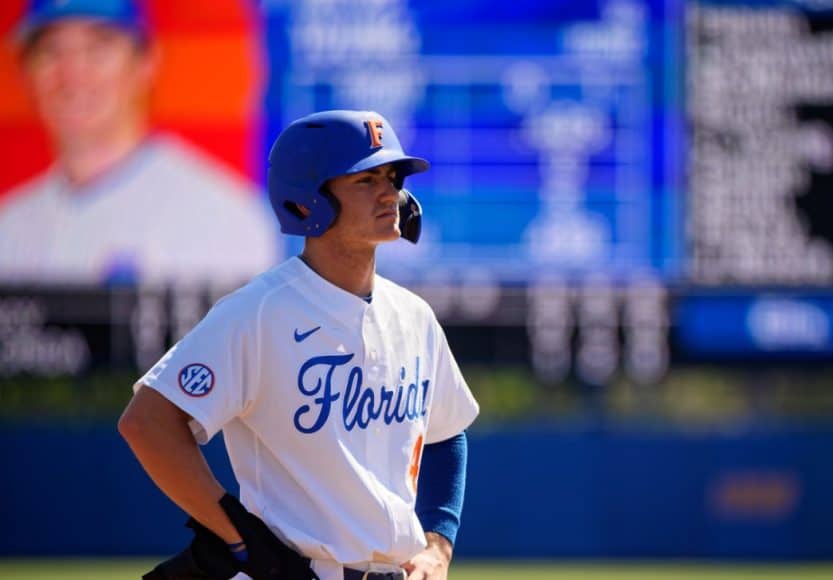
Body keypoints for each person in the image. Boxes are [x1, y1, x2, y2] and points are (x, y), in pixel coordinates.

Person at [118, 109, 480, 580]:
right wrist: (237, 533)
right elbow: (147, 422)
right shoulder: (258, 312)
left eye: (392, 177)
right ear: (307, 201)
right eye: (365, 180)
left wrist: (437, 544)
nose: (390, 191)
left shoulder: (415, 317)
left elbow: (446, 433)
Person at [0, 0, 278, 285]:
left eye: (98, 48)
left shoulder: (221, 217)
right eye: (50, 51)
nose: (72, 74)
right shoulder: (9, 227)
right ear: (26, 71)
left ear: (146, 61)